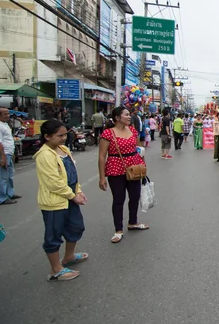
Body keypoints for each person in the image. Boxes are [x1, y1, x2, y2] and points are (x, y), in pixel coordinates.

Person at [34, 120, 87, 282]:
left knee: (77, 227)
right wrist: (73, 196)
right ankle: (56, 269)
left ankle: (68, 257)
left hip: (70, 198)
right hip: (55, 202)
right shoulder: (44, 155)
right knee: (53, 235)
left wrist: (78, 191)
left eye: (65, 134)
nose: (64, 138)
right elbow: (54, 182)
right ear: (47, 136)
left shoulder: (63, 150)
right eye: (60, 135)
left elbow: (72, 174)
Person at [98, 106, 149, 243]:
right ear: (117, 118)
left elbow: (140, 149)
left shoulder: (132, 130)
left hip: (134, 168)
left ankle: (133, 222)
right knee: (118, 199)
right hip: (115, 169)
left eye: (129, 115)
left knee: (135, 196)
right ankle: (118, 230)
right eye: (126, 115)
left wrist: (143, 165)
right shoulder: (108, 134)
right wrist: (102, 177)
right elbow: (102, 156)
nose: (129, 117)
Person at [0, 107, 20, 205]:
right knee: (2, 177)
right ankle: (1, 198)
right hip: (1, 154)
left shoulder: (4, 124)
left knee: (9, 175)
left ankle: (9, 193)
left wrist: (11, 154)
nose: (7, 115)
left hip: (8, 153)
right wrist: (3, 156)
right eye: (4, 114)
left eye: (8, 113)